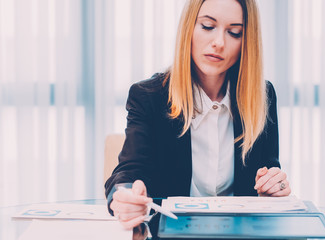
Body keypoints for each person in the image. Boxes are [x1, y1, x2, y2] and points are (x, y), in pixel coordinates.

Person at [105, 0, 291, 229]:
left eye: (234, 33)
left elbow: (269, 171)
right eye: (207, 26)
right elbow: (128, 173)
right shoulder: (148, 97)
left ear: (246, 42)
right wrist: (123, 196)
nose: (219, 43)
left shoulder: (262, 96)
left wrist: (274, 187)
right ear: (189, 28)